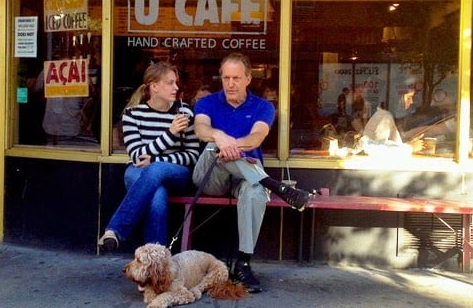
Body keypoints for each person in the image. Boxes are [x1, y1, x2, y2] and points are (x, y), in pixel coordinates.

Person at [192, 53, 313, 293]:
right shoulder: (208, 102)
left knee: (256, 193)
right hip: (211, 175)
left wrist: (234, 147)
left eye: (236, 78)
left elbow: (258, 136)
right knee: (213, 146)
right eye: (226, 78)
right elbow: (201, 128)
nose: (230, 84)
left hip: (245, 176)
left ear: (248, 78)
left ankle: (244, 263)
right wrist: (219, 137)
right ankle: (277, 186)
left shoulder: (263, 106)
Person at [98, 61, 200, 252]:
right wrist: (170, 134)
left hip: (176, 174)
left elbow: (193, 155)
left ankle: (116, 230)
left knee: (156, 168)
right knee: (157, 196)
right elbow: (137, 156)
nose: (176, 88)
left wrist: (155, 159)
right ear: (154, 86)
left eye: (176, 82)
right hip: (139, 172)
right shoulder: (132, 114)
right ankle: (157, 263)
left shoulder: (184, 112)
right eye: (170, 83)